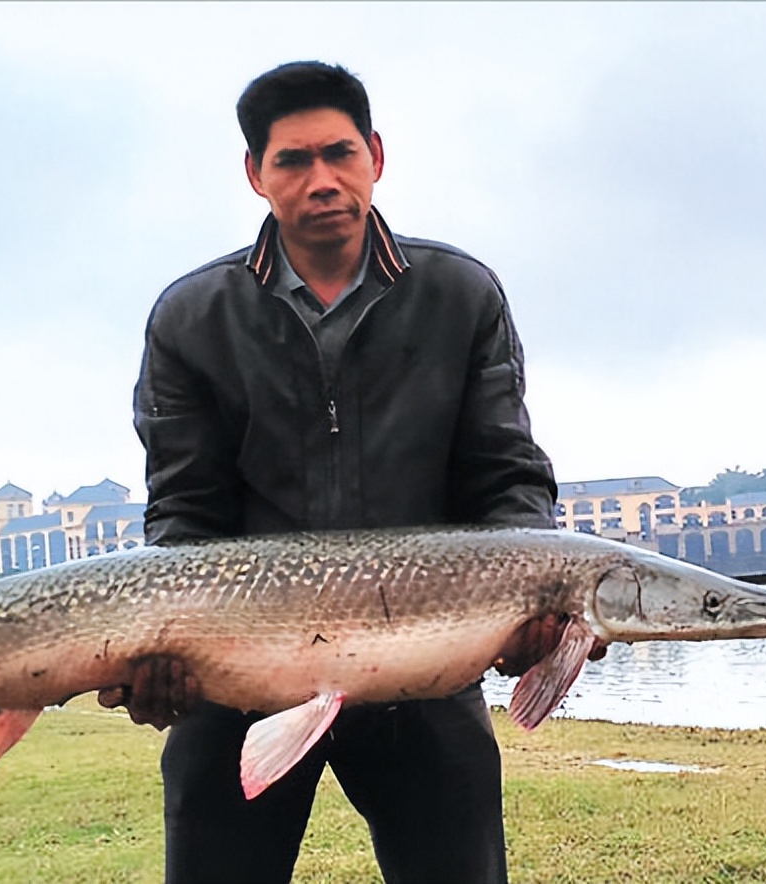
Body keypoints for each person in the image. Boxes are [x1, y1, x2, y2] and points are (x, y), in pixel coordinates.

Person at [101, 61, 594, 884]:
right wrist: (165, 649)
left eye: (339, 153)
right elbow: (184, 514)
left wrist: (538, 590)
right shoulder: (192, 316)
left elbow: (507, 479)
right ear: (256, 175)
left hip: (423, 674)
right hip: (239, 681)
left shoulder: (460, 295)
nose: (321, 179)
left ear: (375, 155)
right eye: (293, 160)